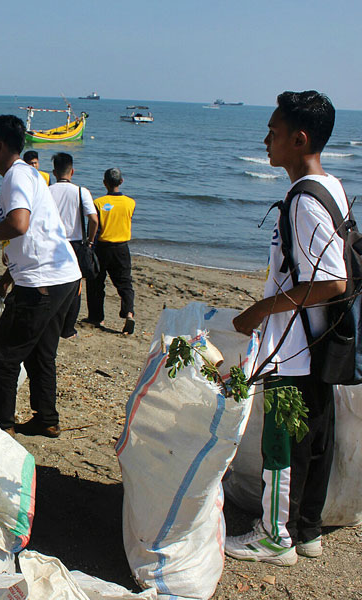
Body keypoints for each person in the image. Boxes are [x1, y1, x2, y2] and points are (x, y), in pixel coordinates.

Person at [225, 91, 347, 567]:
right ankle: (306, 531)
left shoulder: (303, 201)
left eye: (273, 133)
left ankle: (275, 536)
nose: (265, 141)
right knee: (314, 441)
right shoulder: (331, 187)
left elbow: (333, 281)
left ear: (299, 139)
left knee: (282, 444)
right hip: (320, 343)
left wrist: (260, 309)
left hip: (295, 348)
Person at [0, 115, 81, 438]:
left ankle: (2, 425)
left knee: (2, 354)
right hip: (63, 276)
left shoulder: (15, 176)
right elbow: (34, 236)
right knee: (41, 352)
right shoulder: (29, 174)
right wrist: (5, 280)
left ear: (0, 146)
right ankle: (46, 418)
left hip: (43, 282)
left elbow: (19, 225)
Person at [48, 152, 98, 339]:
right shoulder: (81, 192)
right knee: (75, 287)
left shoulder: (47, 191)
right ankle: (68, 329)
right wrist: (90, 241)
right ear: (72, 171)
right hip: (75, 243)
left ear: (54, 172)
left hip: (52, 242)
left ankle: (51, 322)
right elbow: (93, 219)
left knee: (52, 283)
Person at [86, 168, 136, 334]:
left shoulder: (98, 203)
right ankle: (129, 313)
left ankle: (96, 317)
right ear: (121, 181)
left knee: (96, 283)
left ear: (104, 183)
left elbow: (95, 227)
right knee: (124, 283)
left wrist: (90, 244)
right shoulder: (130, 203)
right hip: (121, 247)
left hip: (102, 247)